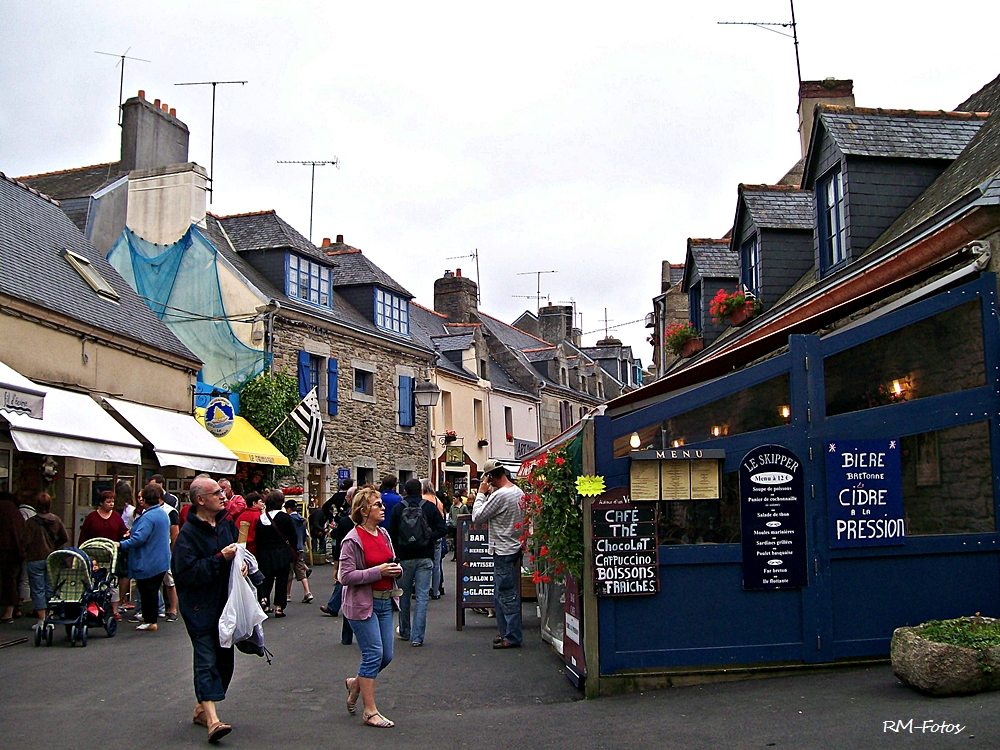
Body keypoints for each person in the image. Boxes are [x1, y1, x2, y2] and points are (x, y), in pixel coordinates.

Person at [172, 475, 242, 743]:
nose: (223, 496)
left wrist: (243, 566)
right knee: (205, 660)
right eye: (217, 493)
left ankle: (202, 709)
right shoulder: (187, 536)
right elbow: (186, 573)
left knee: (225, 663)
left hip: (226, 604)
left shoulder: (226, 525)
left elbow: (238, 553)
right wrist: (218, 559)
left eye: (223, 492)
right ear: (200, 500)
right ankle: (213, 721)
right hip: (199, 607)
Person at [340, 486, 402, 728]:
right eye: (378, 504)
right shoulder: (352, 539)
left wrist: (397, 570)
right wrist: (378, 571)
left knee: (385, 656)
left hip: (386, 601)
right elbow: (345, 576)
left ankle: (356, 683)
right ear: (363, 510)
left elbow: (391, 562)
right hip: (362, 604)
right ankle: (370, 711)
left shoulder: (383, 534)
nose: (383, 507)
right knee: (373, 654)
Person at [472, 460, 525, 649]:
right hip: (514, 546)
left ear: (490, 476)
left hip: (502, 549)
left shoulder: (500, 495)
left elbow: (477, 516)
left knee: (505, 594)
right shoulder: (518, 492)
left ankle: (512, 636)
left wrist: (480, 494)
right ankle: (506, 632)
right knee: (501, 594)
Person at [387, 478, 445, 647]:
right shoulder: (429, 507)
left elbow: (391, 533)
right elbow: (442, 529)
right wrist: (428, 538)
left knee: (403, 596)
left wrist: (397, 553)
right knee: (421, 598)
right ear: (421, 491)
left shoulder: (399, 509)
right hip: (425, 556)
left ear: (405, 491)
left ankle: (405, 630)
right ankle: (417, 637)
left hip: (404, 557)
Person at [118, 483, 171, 632]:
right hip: (160, 559)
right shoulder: (161, 514)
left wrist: (121, 544)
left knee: (148, 591)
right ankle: (149, 616)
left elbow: (140, 538)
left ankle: (150, 620)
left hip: (149, 560)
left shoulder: (148, 517)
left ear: (145, 500)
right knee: (152, 590)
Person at [22, 493, 68, 631]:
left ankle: (42, 619)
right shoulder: (56, 520)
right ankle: (51, 616)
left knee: (37, 589)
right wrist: (54, 545)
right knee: (50, 588)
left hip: (34, 558)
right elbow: (64, 537)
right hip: (51, 557)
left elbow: (24, 541)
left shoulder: (30, 523)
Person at [78, 489, 127, 620]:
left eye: (113, 502)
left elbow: (123, 531)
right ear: (101, 503)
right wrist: (84, 554)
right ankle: (90, 606)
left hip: (111, 555)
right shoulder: (92, 517)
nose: (111, 504)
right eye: (108, 502)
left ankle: (115, 610)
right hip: (93, 554)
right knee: (93, 581)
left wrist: (125, 535)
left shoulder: (116, 516)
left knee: (112, 582)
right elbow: (84, 536)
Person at [320, 487, 356, 647]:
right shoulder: (368, 521)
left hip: (349, 561)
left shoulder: (345, 520)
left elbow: (340, 546)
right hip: (362, 562)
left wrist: (337, 565)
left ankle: (346, 633)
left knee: (348, 591)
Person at [255, 490, 297, 617]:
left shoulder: (262, 518)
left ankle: (264, 600)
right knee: (281, 580)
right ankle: (279, 607)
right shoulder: (285, 518)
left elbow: (258, 538)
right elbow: (293, 536)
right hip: (281, 552)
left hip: (265, 553)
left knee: (266, 579)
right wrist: (294, 549)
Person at [0, 491, 25, 624]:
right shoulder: (15, 512)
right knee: (11, 579)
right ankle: (9, 611)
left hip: (3, 548)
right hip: (16, 551)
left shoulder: (2, 508)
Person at [283, 498, 313, 604]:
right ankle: (307, 592)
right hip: (300, 548)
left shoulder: (288, 520)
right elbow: (305, 535)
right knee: (301, 571)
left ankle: (287, 595)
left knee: (289, 572)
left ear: (289, 509)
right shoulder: (302, 520)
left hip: (290, 548)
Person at [422, 480, 446, 599]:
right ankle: (436, 590)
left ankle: (423, 589)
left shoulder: (423, 499)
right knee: (436, 564)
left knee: (423, 563)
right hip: (436, 535)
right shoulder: (438, 501)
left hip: (424, 534)